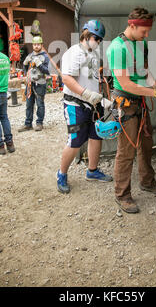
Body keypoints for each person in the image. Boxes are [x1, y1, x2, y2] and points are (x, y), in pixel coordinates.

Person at [106, 7, 156, 214]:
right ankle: (122, 194)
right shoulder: (117, 48)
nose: (147, 35)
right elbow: (125, 84)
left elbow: (143, 71)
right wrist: (154, 93)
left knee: (146, 142)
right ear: (132, 25)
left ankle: (147, 181)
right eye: (144, 31)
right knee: (126, 151)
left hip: (140, 100)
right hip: (125, 102)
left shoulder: (139, 43)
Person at [56, 20, 113, 194]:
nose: (98, 41)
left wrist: (102, 98)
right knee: (75, 141)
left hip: (93, 104)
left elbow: (94, 79)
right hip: (76, 104)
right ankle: (62, 174)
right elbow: (66, 79)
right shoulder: (74, 53)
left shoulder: (94, 54)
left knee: (96, 136)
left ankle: (92, 171)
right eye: (96, 37)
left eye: (100, 39)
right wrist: (86, 94)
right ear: (86, 34)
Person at [18, 36, 50, 132]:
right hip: (30, 83)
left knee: (40, 104)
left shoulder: (45, 56)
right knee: (29, 104)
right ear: (32, 45)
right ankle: (28, 124)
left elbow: (47, 71)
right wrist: (25, 64)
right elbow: (26, 69)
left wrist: (39, 64)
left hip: (40, 83)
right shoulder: (30, 55)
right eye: (35, 44)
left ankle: (39, 123)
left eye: (38, 44)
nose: (36, 46)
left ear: (41, 45)